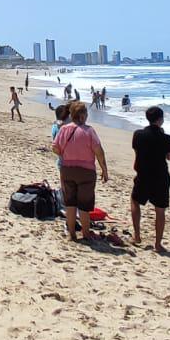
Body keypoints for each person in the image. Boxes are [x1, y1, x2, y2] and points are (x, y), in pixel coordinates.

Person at [52, 103, 109, 242]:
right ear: (82, 116)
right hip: (86, 172)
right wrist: (104, 169)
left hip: (67, 169)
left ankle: (72, 234)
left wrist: (66, 154)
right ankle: (86, 234)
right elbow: (99, 151)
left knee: (70, 204)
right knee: (84, 205)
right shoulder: (89, 131)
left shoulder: (64, 129)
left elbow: (55, 148)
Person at [131, 106, 170, 252]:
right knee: (160, 210)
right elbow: (169, 157)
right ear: (160, 119)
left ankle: (137, 235)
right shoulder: (167, 138)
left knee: (135, 201)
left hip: (143, 173)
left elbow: (137, 152)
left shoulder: (138, 135)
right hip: (160, 175)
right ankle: (158, 244)